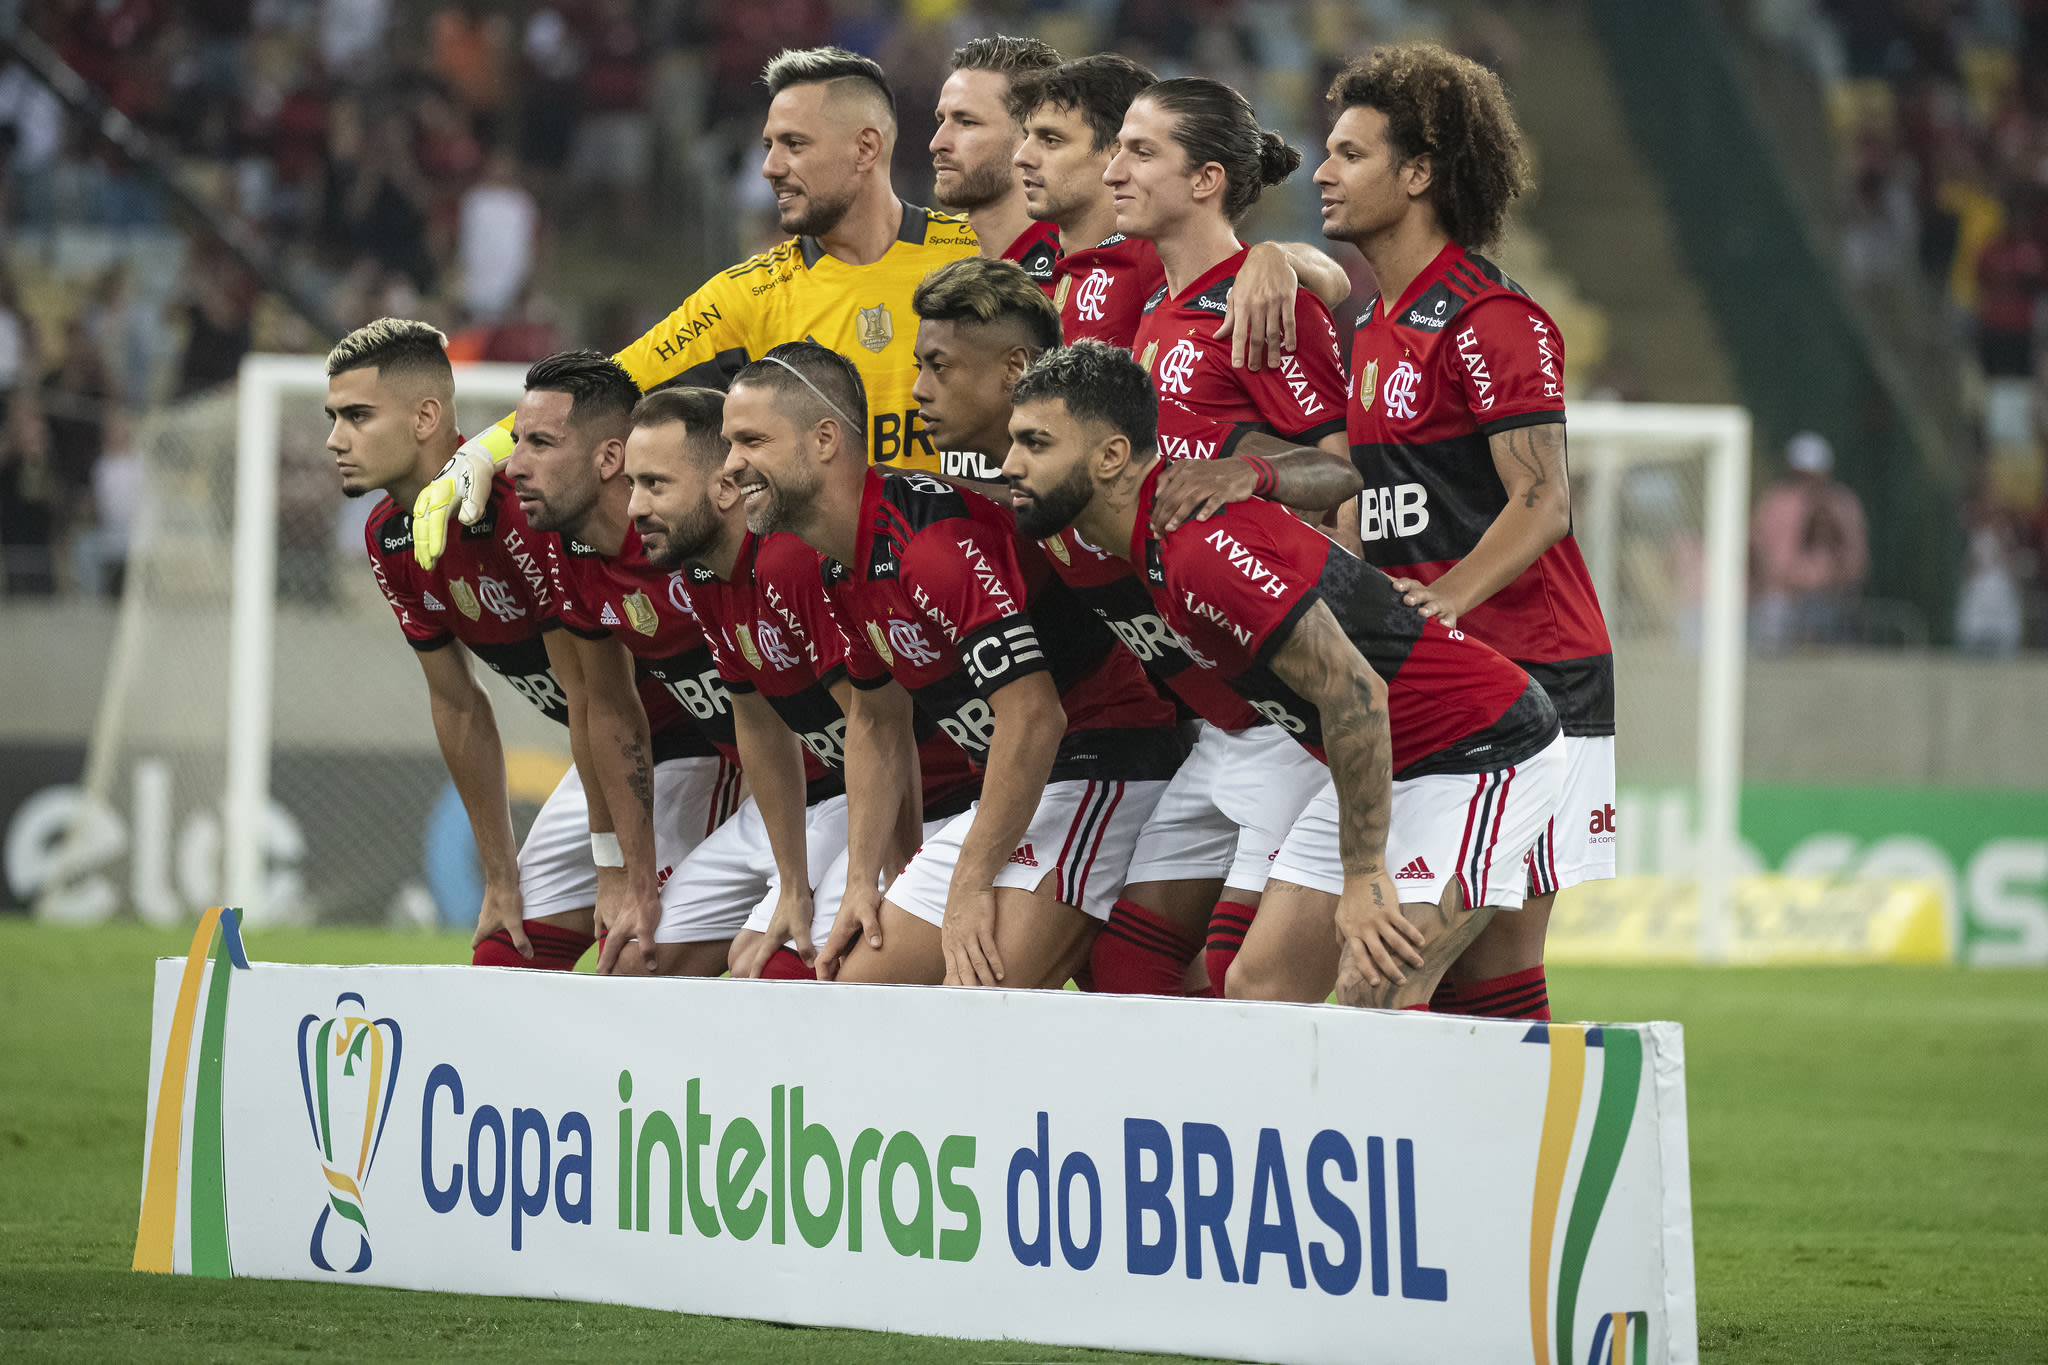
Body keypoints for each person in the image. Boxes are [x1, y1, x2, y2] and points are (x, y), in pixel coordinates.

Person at [411, 46, 1339, 556]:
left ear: (861, 149)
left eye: (792, 145)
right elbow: (620, 373)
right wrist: (484, 451)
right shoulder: (753, 287)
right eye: (765, 145)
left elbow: (1180, 256)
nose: (769, 166)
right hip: (864, 594)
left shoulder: (977, 256)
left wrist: (1283, 259)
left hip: (1019, 575)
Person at [1003, 342, 1564, 1007]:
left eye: (1035, 444)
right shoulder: (1160, 535)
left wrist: (1364, 877)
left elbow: (1355, 689)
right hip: (1384, 760)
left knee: (1375, 991)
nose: (1011, 465)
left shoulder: (1196, 551)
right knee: (1256, 988)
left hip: (1480, 752)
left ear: (1110, 457)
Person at [909, 255, 1357, 995]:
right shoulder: (1021, 496)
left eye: (937, 365)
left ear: (1012, 367)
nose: (918, 389)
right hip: (1217, 734)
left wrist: (1248, 474)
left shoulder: (1130, 441)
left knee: (1246, 974)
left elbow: (1334, 473)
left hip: (1292, 724)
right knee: (1126, 964)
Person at [721, 340, 1184, 989]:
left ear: (824, 438)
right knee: (859, 992)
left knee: (977, 1000)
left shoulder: (930, 544)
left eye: (749, 442)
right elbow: (877, 721)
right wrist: (862, 880)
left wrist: (967, 885)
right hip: (1015, 783)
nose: (731, 466)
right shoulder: (837, 559)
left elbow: (1034, 715)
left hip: (1097, 762)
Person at [1315, 44, 1618, 1020]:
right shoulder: (1373, 327)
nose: (1321, 172)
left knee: (1389, 979)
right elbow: (1376, 505)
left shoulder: (1490, 319)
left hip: (1536, 675)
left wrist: (1443, 600)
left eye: (1350, 154)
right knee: (1479, 978)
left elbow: (1542, 500)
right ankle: (1510, 1172)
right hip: (1441, 681)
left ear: (1416, 175)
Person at [618, 385, 981, 976]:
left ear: (724, 488)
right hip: (833, 801)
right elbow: (758, 728)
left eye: (654, 484)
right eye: (632, 485)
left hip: (930, 802)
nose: (633, 507)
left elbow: (886, 732)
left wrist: (897, 875)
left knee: (776, 972)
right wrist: (792, 886)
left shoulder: (792, 562)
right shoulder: (704, 575)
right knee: (646, 960)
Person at [326, 318, 634, 970]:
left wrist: (614, 865)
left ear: (425, 416)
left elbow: (596, 694)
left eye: (356, 416)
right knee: (504, 953)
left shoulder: (520, 503)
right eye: (334, 417)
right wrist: (500, 874)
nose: (334, 439)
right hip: (612, 758)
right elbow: (458, 703)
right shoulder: (387, 537)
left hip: (682, 740)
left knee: (634, 955)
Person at [503, 350, 749, 974]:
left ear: (609, 458)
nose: (512, 466)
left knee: (642, 963)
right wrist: (619, 870)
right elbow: (604, 707)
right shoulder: (562, 545)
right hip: (692, 753)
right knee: (511, 948)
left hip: (749, 764)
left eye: (539, 442)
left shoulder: (699, 534)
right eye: (513, 442)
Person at [1013, 56, 1356, 362]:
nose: (1023, 157)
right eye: (1026, 136)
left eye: (1051, 140)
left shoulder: (1151, 251)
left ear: (1112, 150)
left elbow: (1335, 282)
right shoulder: (1037, 260)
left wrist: (1273, 256)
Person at [930, 36, 1064, 280]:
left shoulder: (1077, 272)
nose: (937, 144)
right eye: (941, 121)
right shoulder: (934, 268)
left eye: (967, 122)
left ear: (1032, 134)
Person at [1750, 431, 1868, 652]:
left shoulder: (1843, 503)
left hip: (1832, 599)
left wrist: (1835, 581)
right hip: (1782, 598)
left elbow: (1855, 560)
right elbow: (1762, 553)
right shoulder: (1777, 502)